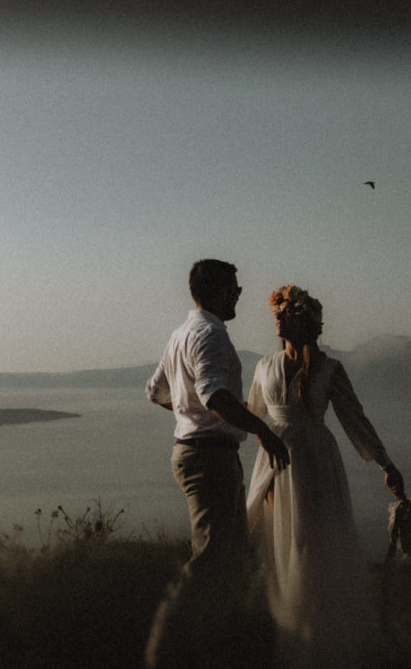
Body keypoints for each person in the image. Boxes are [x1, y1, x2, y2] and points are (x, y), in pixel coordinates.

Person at [245, 284, 406, 667]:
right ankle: (288, 635)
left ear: (305, 322)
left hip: (317, 464)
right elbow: (249, 414)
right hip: (275, 464)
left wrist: (386, 464)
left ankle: (320, 643)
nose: (278, 319)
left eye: (285, 313)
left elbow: (355, 419)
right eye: (276, 314)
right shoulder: (264, 366)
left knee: (316, 547)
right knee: (281, 546)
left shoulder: (331, 370)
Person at [144, 259, 290, 668]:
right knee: (212, 558)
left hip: (194, 452)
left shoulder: (181, 334)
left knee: (227, 556)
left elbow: (154, 390)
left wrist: (189, 413)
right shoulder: (211, 335)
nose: (240, 293)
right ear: (218, 291)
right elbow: (215, 396)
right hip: (209, 457)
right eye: (235, 287)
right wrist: (262, 430)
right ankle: (168, 648)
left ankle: (209, 642)